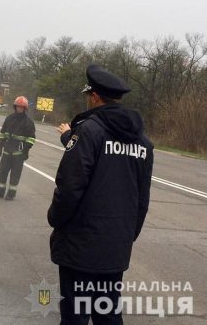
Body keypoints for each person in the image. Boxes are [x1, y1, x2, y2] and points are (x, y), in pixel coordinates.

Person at [48, 64, 154, 324]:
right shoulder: (143, 142)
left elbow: (70, 186)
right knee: (108, 314)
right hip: (116, 247)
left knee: (75, 315)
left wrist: (56, 220)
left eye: (88, 96)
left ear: (94, 96)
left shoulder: (89, 131)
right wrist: (127, 235)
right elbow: (142, 199)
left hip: (80, 247)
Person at [0, 96, 36, 200]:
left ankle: (11, 194)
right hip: (7, 151)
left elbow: (31, 138)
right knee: (2, 173)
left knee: (15, 175)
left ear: (25, 108)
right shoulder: (9, 118)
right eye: (18, 107)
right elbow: (2, 133)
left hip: (18, 154)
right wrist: (0, 146)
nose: (19, 109)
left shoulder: (28, 122)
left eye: (21, 107)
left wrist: (25, 150)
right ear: (15, 107)